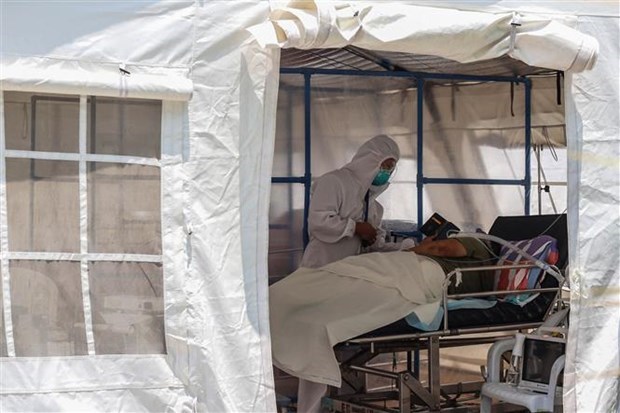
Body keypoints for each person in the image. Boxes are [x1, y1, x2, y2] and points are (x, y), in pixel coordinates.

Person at [272, 235, 495, 413]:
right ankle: (299, 309)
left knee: (343, 280)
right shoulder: (489, 280)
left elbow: (441, 250)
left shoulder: (475, 243)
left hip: (418, 270)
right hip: (418, 275)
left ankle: (277, 302)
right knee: (354, 288)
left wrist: (418, 247)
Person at [300, 134, 411, 269]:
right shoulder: (335, 181)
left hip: (349, 274)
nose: (386, 173)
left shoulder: (374, 207)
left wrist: (406, 249)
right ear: (370, 160)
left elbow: (375, 248)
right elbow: (318, 222)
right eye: (385, 166)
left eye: (390, 169)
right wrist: (356, 227)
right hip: (320, 267)